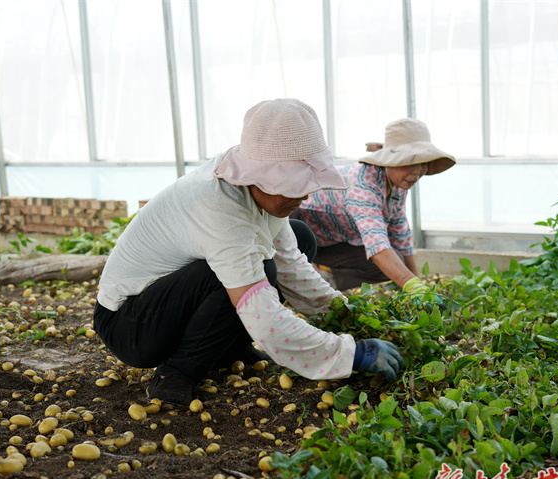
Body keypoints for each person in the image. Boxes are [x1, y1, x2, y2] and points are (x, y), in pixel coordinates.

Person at [93, 98, 404, 407]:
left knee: (300, 239)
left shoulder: (257, 195)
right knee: (261, 272)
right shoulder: (217, 205)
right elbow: (263, 315)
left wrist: (345, 315)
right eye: (294, 185)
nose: (305, 195)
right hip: (130, 323)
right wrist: (348, 353)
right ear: (261, 177)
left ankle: (225, 349)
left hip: (167, 306)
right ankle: (177, 371)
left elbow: (293, 267)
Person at [292, 118, 456, 292]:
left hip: (333, 240)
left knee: (391, 264)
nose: (416, 172)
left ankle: (334, 283)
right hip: (299, 229)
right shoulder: (363, 183)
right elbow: (377, 245)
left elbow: (400, 234)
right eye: (409, 164)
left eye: (422, 164)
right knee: (386, 261)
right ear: (389, 161)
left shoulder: (397, 185)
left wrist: (417, 280)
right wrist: (412, 285)